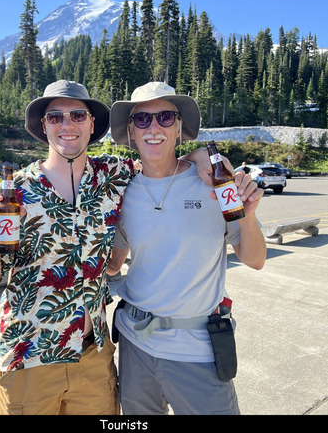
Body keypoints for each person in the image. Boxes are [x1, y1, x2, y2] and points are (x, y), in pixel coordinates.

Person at [0, 80, 212, 415]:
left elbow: (162, 157)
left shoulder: (112, 175)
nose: (67, 125)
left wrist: (202, 155)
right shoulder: (16, 190)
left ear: (92, 124)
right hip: (29, 359)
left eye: (78, 115)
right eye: (56, 117)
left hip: (93, 357)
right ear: (44, 125)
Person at [107, 81, 267, 415]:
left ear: (179, 128)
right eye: (142, 119)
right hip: (135, 344)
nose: (153, 128)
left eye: (165, 117)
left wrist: (249, 217)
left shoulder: (213, 182)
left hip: (198, 350)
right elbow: (112, 265)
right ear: (131, 132)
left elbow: (255, 260)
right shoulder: (122, 190)